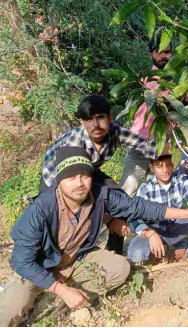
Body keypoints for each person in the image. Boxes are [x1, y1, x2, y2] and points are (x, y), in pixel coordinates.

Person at [0, 147, 188, 327]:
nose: (79, 183)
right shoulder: (41, 209)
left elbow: (138, 206)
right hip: (38, 268)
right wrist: (60, 288)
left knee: (120, 268)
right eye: (71, 177)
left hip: (75, 261)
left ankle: (57, 303)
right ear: (59, 180)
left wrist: (185, 213)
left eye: (84, 175)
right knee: (9, 310)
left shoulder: (100, 193)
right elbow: (21, 261)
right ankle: (52, 295)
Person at [41, 94, 156, 253]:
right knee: (61, 217)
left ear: (109, 118)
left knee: (121, 202)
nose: (95, 125)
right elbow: (81, 193)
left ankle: (113, 252)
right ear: (82, 122)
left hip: (90, 171)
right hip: (57, 177)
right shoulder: (75, 143)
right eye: (89, 120)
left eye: (100, 118)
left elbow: (148, 147)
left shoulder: (116, 132)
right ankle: (60, 256)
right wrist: (109, 220)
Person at [119, 35, 188, 197]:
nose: (165, 56)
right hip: (142, 145)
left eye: (168, 52)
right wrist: (185, 97)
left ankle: (144, 222)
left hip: (162, 149)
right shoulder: (150, 78)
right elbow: (160, 100)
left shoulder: (174, 82)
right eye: (159, 52)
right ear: (151, 55)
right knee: (127, 190)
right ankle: (110, 222)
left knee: (158, 196)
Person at [127, 152, 188, 271]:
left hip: (176, 226)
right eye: (159, 166)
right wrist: (150, 234)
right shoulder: (145, 189)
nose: (165, 170)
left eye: (168, 165)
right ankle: (164, 243)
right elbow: (134, 219)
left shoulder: (180, 179)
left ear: (172, 165)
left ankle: (187, 250)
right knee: (137, 255)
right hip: (155, 229)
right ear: (151, 168)